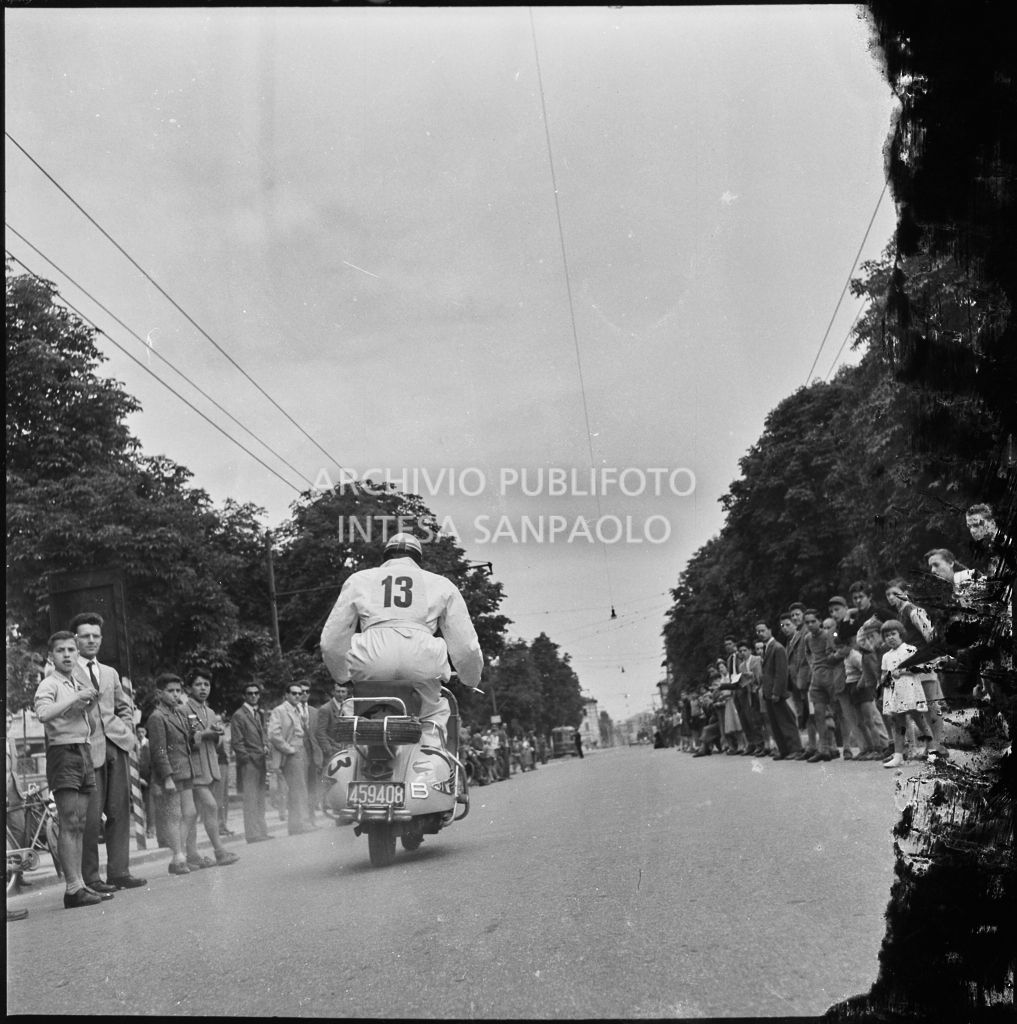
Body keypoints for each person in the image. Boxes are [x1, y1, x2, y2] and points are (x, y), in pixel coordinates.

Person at [320, 532, 484, 747]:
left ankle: (354, 760)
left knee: (359, 713)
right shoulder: (441, 583)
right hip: (422, 659)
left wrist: (342, 675)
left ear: (386, 557)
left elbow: (330, 641)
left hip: (371, 658)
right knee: (432, 716)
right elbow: (466, 648)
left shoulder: (359, 579)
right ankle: (427, 761)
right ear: (418, 560)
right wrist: (470, 678)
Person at [33, 631, 112, 909]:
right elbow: (43, 713)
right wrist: (76, 697)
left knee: (80, 822)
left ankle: (79, 884)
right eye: (60, 651)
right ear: (50, 657)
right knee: (69, 820)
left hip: (82, 750)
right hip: (63, 752)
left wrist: (87, 701)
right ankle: (72, 888)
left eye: (71, 650)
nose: (67, 655)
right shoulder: (49, 683)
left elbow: (85, 718)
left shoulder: (73, 681)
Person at [69, 612, 146, 893]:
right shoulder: (67, 672)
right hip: (87, 749)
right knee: (90, 818)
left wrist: (127, 732)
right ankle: (91, 878)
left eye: (96, 636)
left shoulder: (110, 673)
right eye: (85, 636)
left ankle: (119, 872)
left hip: (117, 746)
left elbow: (124, 706)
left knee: (119, 810)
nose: (91, 640)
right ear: (75, 639)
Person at [182, 667, 239, 869]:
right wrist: (204, 734)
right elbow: (185, 742)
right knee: (211, 807)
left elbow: (214, 744)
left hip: (210, 768)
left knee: (198, 812)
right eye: (198, 684)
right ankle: (219, 851)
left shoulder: (210, 711)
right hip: (194, 769)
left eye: (206, 684)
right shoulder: (184, 710)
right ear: (189, 688)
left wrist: (217, 733)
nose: (203, 688)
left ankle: (191, 855)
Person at [147, 673, 199, 875]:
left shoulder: (178, 713)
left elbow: (190, 738)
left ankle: (179, 852)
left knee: (191, 813)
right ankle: (178, 856)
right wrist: (167, 777)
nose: (175, 694)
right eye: (170, 691)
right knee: (174, 815)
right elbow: (158, 750)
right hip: (171, 773)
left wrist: (192, 719)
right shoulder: (157, 717)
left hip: (185, 770)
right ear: (159, 693)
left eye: (178, 690)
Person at [879, 620, 933, 769]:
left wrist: (902, 671)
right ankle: (898, 756)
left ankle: (933, 751)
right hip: (895, 693)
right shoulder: (886, 656)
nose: (890, 637)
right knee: (898, 723)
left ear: (900, 634)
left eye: (893, 634)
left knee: (919, 720)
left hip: (910, 690)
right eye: (887, 635)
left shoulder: (910, 650)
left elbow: (920, 668)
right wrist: (884, 679)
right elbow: (884, 674)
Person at [268, 684, 315, 835]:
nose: (297, 696)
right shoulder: (280, 710)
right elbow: (274, 734)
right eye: (294, 693)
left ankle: (296, 826)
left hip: (302, 751)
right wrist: (289, 749)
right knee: (298, 789)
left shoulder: (298, 710)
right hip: (291, 753)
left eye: (299, 694)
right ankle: (302, 824)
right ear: (287, 695)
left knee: (299, 789)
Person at [230, 683, 273, 843]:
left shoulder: (258, 713)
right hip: (249, 763)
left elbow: (263, 734)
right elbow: (237, 742)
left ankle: (261, 831)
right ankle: (253, 834)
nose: (253, 696)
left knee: (260, 797)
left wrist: (266, 746)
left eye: (256, 693)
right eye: (250, 693)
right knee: (250, 799)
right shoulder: (239, 715)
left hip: (260, 760)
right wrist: (247, 758)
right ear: (245, 696)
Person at [755, 620, 802, 760]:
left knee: (785, 721)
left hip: (777, 692)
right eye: (758, 631)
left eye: (763, 630)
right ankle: (784, 749)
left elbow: (781, 672)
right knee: (775, 723)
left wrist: (777, 691)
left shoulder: (777, 648)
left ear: (770, 630)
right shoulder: (766, 648)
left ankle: (795, 748)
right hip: (768, 692)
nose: (760, 634)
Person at [298, 684, 323, 824]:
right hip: (300, 752)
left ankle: (312, 818)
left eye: (307, 691)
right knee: (301, 785)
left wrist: (319, 754)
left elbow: (318, 734)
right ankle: (302, 819)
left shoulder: (314, 711)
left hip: (313, 753)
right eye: (302, 691)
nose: (305, 694)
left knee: (312, 785)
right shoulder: (293, 710)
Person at [314, 680, 354, 763]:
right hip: (333, 751)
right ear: (333, 692)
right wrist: (328, 750)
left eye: (343, 692)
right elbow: (320, 732)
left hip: (346, 749)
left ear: (347, 693)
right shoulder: (325, 709)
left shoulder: (348, 706)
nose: (340, 694)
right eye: (338, 691)